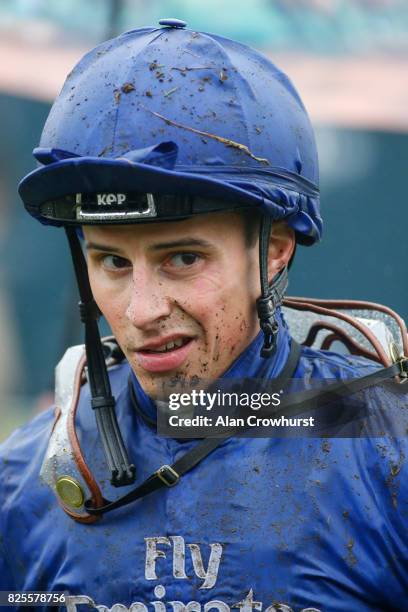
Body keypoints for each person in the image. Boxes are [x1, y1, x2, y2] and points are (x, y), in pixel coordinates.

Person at [1, 18, 407, 612]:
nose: (140, 311)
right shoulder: (23, 480)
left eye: (183, 258)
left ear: (273, 251)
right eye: (112, 261)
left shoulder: (390, 453)